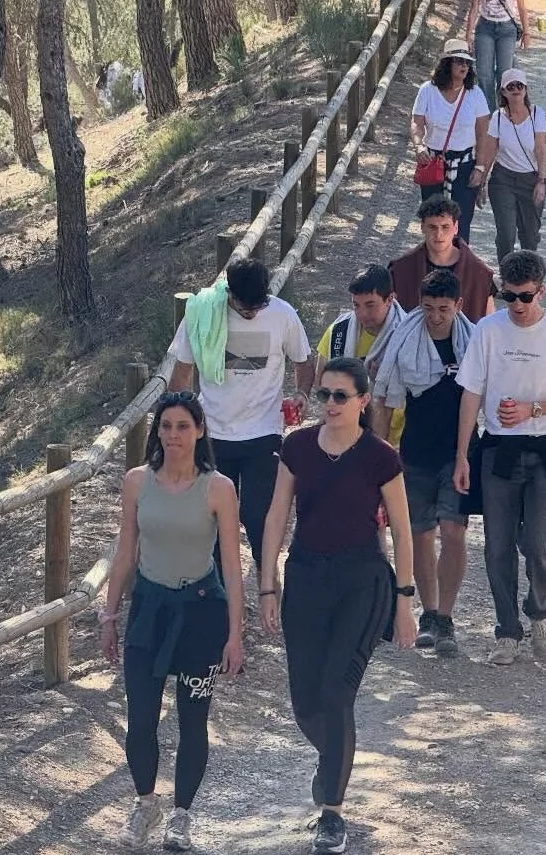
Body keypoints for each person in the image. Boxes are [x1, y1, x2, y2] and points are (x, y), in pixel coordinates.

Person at [257, 357, 418, 855]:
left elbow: (404, 530)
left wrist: (406, 601)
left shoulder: (379, 456)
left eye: (340, 396)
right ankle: (334, 760)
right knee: (305, 701)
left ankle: (332, 812)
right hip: (306, 578)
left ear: (363, 402)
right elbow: (276, 517)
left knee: (335, 691)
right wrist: (267, 586)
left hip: (362, 583)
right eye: (324, 394)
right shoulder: (297, 448)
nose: (329, 404)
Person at [101, 392, 246, 851]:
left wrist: (236, 635)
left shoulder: (219, 488)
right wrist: (109, 614)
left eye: (183, 426)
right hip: (148, 609)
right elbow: (125, 551)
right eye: (165, 426)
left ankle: (181, 815)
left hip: (201, 613)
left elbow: (232, 566)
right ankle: (146, 803)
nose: (173, 435)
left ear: (200, 430)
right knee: (140, 719)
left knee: (192, 721)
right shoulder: (137, 482)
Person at [453, 251, 546, 666]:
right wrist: (462, 454)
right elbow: (471, 392)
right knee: (496, 546)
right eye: (507, 295)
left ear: (541, 292)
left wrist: (535, 409)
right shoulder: (488, 331)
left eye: (525, 297)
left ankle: (540, 611)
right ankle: (507, 631)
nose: (516, 305)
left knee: (536, 541)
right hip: (498, 449)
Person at [169, 258, 314, 570]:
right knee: (215, 519)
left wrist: (302, 393)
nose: (251, 313)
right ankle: (220, 594)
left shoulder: (282, 314)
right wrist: (185, 423)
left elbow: (304, 360)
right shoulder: (202, 313)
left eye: (257, 307)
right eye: (243, 308)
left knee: (258, 515)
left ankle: (267, 583)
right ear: (229, 295)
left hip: (264, 432)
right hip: (213, 433)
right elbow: (181, 372)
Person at [373, 269, 475, 657]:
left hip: (459, 452)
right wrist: (380, 456)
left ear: (458, 306)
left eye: (444, 309)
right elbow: (384, 398)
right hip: (414, 451)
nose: (435, 317)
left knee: (453, 531)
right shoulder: (404, 342)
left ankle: (446, 617)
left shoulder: (474, 342)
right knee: (419, 534)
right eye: (429, 308)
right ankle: (429, 613)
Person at [411, 39, 492, 244]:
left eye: (467, 62)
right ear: (447, 64)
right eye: (458, 61)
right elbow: (416, 122)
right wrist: (419, 145)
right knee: (433, 222)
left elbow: (483, 133)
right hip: (433, 162)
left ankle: (458, 271)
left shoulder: (475, 94)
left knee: (461, 225)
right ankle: (433, 270)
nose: (464, 66)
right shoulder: (427, 91)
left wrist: (480, 167)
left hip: (465, 164)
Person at [315, 265, 406, 445]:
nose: (362, 314)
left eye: (370, 305)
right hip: (343, 437)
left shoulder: (409, 336)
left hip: (397, 443)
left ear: (389, 299)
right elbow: (321, 382)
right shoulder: (339, 332)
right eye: (356, 305)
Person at [477, 68, 546, 263]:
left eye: (520, 86)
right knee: (506, 234)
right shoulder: (498, 118)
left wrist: (541, 182)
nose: (516, 90)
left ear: (526, 89)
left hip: (530, 179)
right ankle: (506, 277)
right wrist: (481, 183)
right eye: (511, 86)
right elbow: (490, 152)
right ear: (503, 92)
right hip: (503, 179)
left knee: (530, 236)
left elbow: (541, 150)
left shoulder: (537, 114)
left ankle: (528, 278)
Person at [388, 194, 498, 321]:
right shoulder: (401, 270)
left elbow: (489, 322)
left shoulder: (479, 274)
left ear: (455, 227)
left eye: (445, 227)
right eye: (432, 227)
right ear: (422, 227)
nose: (439, 234)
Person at [466, 0, 531, 109]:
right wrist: (468, 36)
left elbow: (522, 8)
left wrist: (527, 33)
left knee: (505, 72)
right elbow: (474, 9)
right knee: (484, 73)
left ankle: (504, 111)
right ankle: (488, 113)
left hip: (507, 29)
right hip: (485, 27)